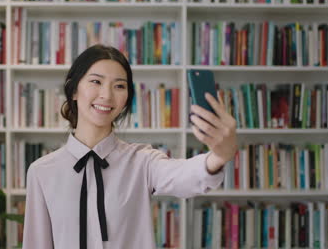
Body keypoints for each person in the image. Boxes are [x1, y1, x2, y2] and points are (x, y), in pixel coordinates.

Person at [22, 44, 237, 249]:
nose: (106, 95)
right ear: (74, 90)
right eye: (96, 82)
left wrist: (218, 156)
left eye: (119, 86)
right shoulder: (42, 172)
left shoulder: (142, 161)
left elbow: (184, 175)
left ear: (126, 99)